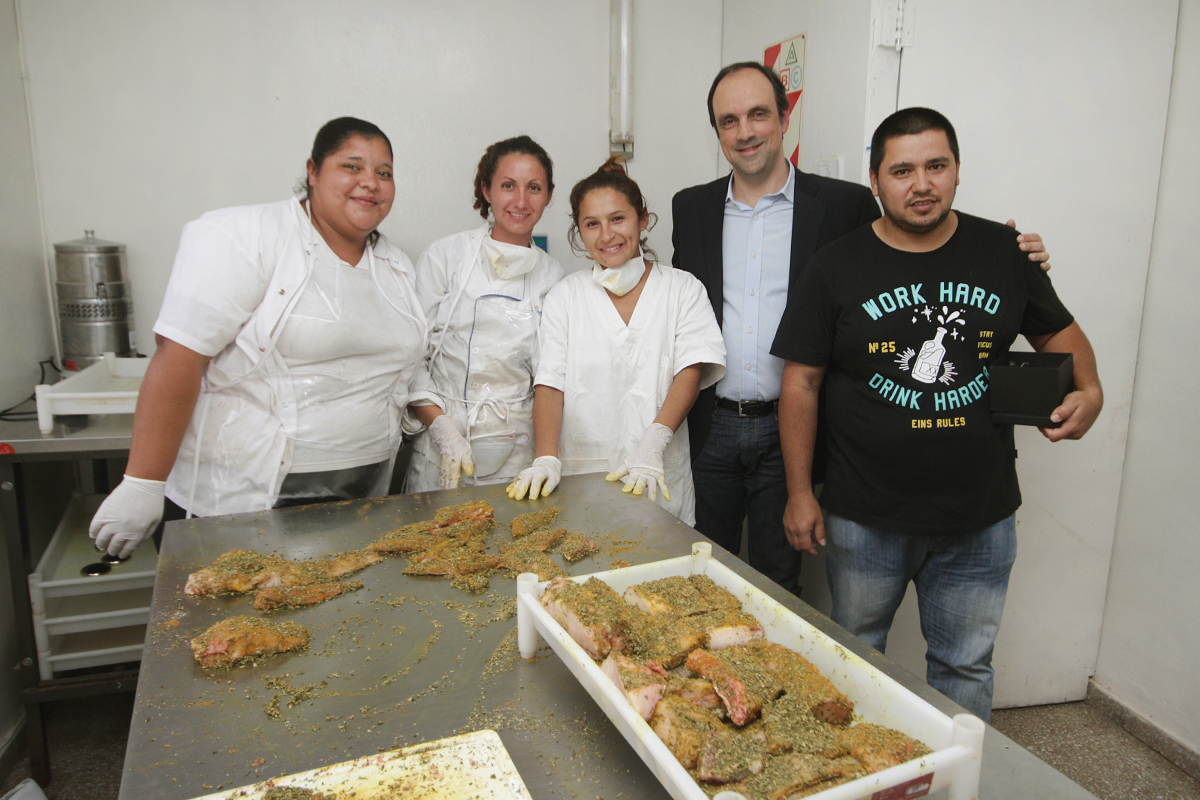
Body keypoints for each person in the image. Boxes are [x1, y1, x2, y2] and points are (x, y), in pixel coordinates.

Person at [671, 61, 1052, 595]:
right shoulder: (691, 208)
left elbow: (915, 242)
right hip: (711, 425)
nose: (745, 131)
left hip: (794, 427)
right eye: (728, 120)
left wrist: (1009, 253)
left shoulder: (846, 203)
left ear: (784, 118)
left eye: (758, 114)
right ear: (717, 132)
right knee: (700, 574)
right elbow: (678, 306)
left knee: (780, 584)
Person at [772, 107, 1103, 721]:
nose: (920, 184)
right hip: (863, 516)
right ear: (875, 181)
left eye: (936, 166)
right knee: (855, 658)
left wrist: (1091, 393)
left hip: (978, 517)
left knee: (965, 666)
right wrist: (799, 493)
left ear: (956, 171)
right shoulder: (836, 265)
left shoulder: (1004, 252)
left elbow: (1064, 340)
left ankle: (955, 785)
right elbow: (801, 385)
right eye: (902, 170)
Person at [88, 117, 467, 558]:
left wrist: (437, 422)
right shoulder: (246, 237)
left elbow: (406, 364)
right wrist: (143, 481)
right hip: (244, 506)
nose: (370, 183)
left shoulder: (395, 266)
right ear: (313, 170)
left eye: (384, 173)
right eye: (352, 166)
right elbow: (179, 358)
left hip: (362, 503)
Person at [506, 158, 725, 525]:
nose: (606, 235)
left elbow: (689, 371)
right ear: (579, 233)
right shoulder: (565, 296)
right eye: (592, 224)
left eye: (618, 219)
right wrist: (546, 457)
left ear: (643, 220)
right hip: (582, 476)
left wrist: (652, 445)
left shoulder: (682, 289)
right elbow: (550, 383)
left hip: (658, 474)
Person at [404, 136, 565, 492]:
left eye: (534, 188)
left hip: (519, 458)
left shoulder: (554, 278)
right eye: (508, 186)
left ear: (549, 196)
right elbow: (411, 360)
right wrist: (443, 431)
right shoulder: (445, 258)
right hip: (441, 452)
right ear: (487, 190)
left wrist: (545, 458)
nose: (521, 201)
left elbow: (553, 377)